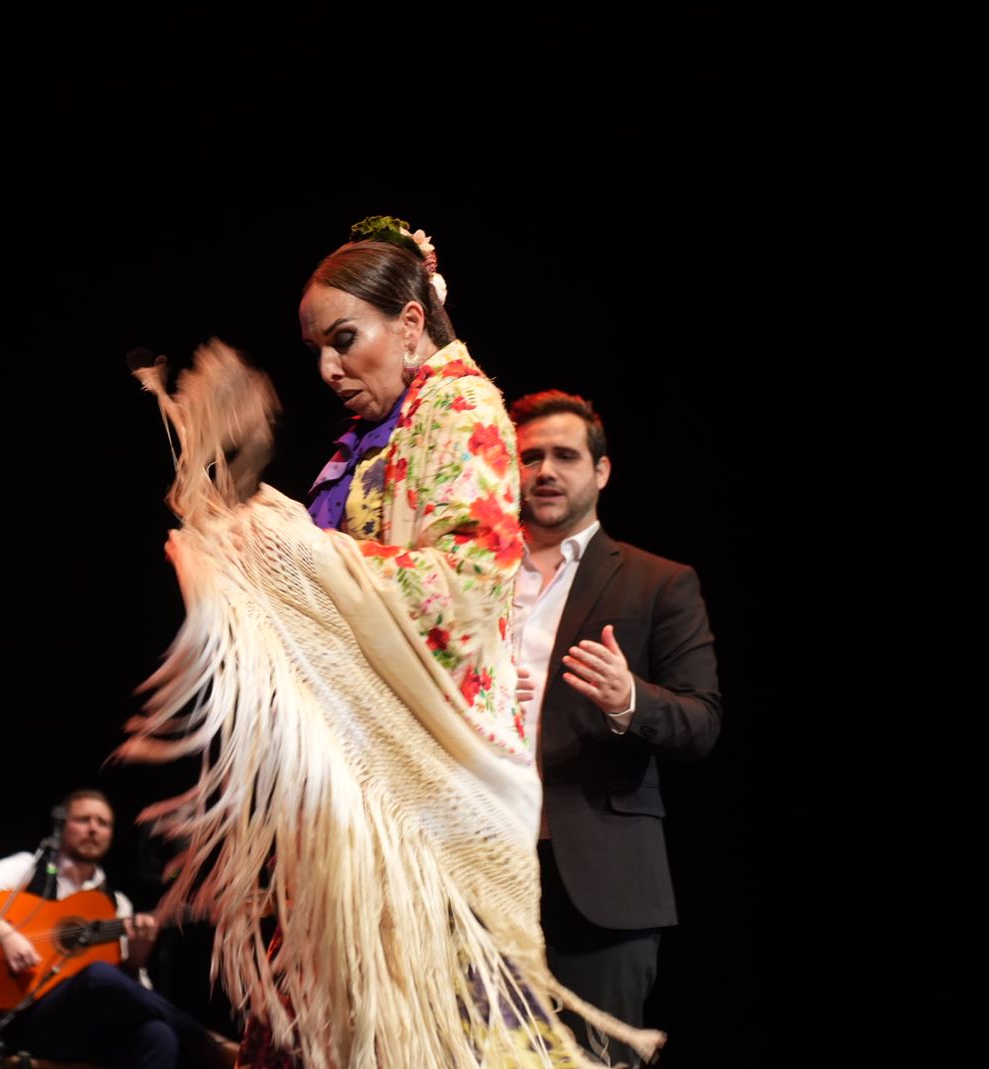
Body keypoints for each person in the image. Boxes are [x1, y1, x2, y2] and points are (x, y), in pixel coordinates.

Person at [122, 217, 663, 1068]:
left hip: (430, 809)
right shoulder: (366, 444)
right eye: (317, 351)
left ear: (411, 323)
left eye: (346, 340)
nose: (330, 368)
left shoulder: (464, 408)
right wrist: (238, 523)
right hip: (360, 802)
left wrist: (288, 542)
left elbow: (464, 590)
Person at [508, 389, 721, 1067]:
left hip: (598, 884)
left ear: (600, 471)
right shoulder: (467, 578)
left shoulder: (658, 582)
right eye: (529, 455)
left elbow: (700, 719)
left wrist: (629, 698)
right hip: (478, 865)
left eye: (565, 455)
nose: (545, 469)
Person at [0, 790, 232, 1069]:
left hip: (83, 1030)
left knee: (157, 1034)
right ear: (62, 826)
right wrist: (6, 934)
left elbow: (128, 989)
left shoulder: (116, 903)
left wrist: (138, 954)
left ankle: (193, 1039)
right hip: (24, 1019)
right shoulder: (30, 867)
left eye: (102, 823)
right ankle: (206, 1042)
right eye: (84, 820)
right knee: (97, 974)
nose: (93, 828)